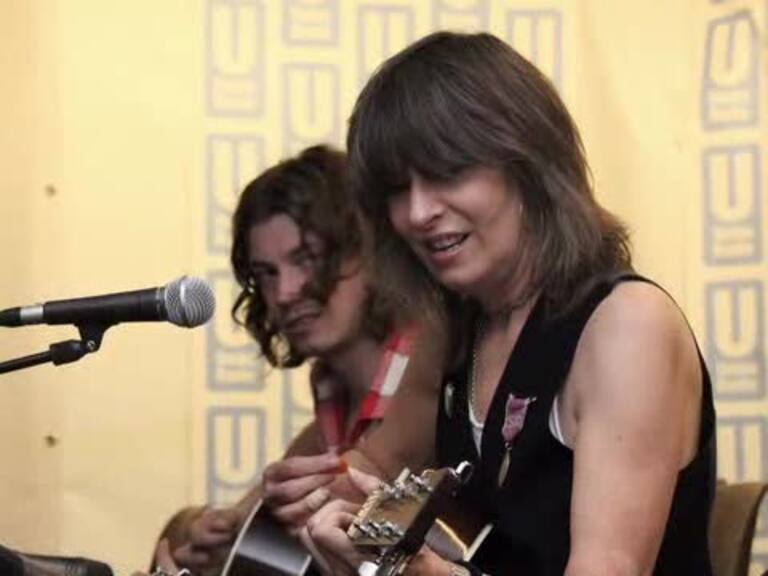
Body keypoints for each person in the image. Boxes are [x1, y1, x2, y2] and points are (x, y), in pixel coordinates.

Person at [307, 31, 716, 576]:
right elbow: (384, 469)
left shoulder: (627, 326)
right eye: (397, 189)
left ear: (528, 163)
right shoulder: (456, 329)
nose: (419, 212)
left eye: (446, 171)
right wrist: (335, 516)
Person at [153, 145, 444, 576]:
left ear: (367, 249)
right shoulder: (329, 400)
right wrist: (199, 532)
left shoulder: (438, 350)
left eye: (306, 260)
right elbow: (241, 524)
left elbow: (374, 496)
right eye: (266, 273)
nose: (285, 292)